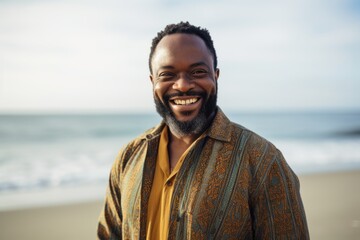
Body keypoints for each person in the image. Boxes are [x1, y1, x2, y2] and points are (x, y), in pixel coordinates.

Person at [97, 22, 309, 239]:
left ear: (215, 76)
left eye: (198, 71)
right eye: (167, 75)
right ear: (152, 82)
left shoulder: (261, 160)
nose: (182, 85)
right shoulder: (129, 158)